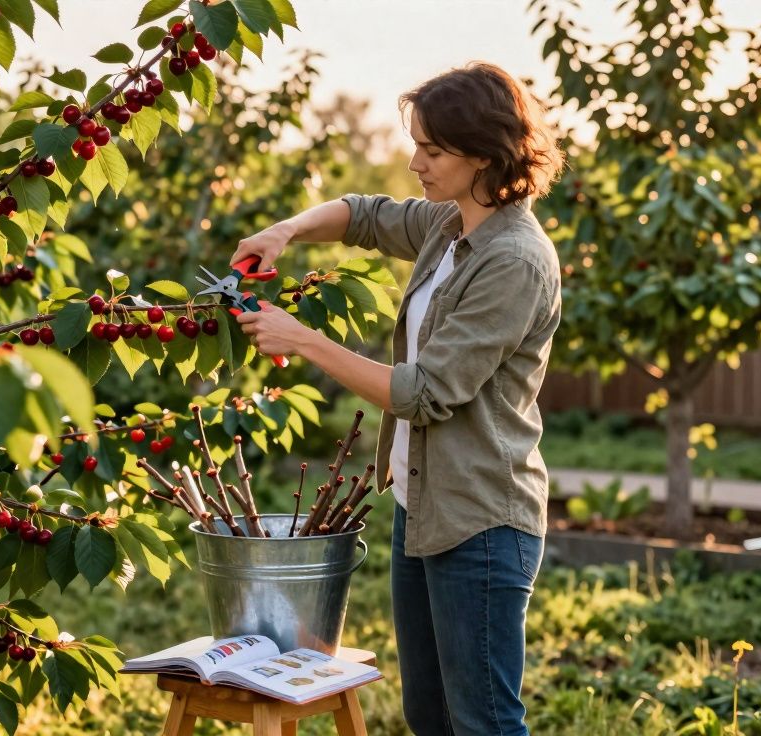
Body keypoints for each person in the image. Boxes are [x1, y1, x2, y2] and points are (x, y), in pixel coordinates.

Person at [231, 62, 564, 735]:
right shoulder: (451, 227)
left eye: (433, 150)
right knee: (429, 716)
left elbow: (424, 392)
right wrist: (284, 232)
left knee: (485, 723)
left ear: (486, 153)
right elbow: (365, 215)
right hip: (422, 507)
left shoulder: (514, 259)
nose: (415, 162)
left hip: (481, 521)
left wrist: (304, 340)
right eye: (415, 144)